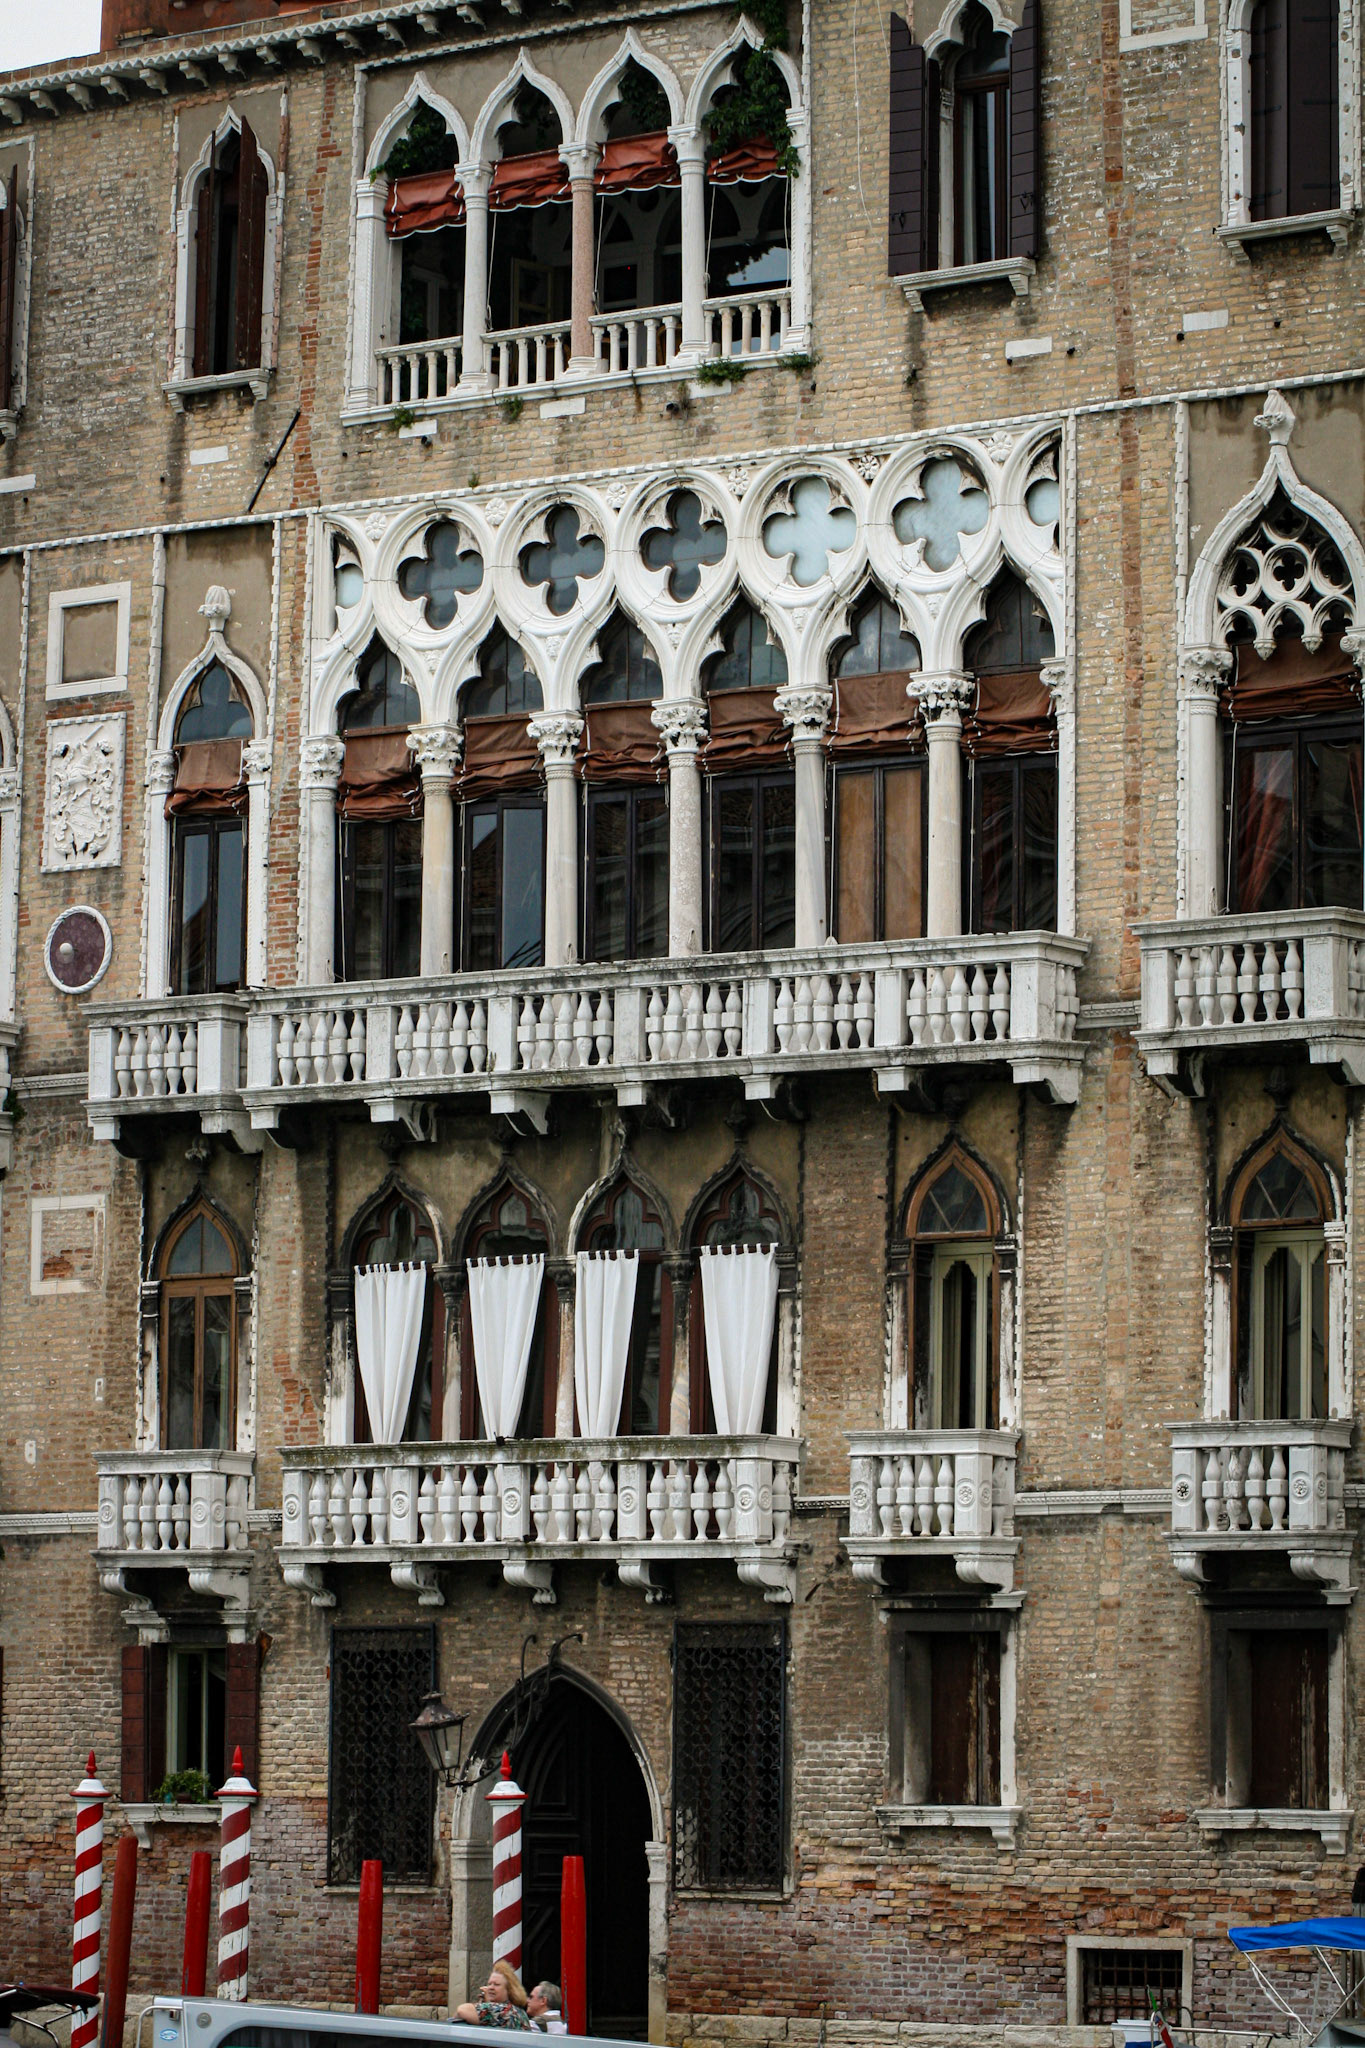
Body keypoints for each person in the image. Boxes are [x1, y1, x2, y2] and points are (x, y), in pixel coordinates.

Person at [454, 1962, 534, 2031]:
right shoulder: (520, 2011)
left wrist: (485, 2004)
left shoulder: (504, 2011)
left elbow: (462, 2010)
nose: (491, 1987)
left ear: (509, 1990)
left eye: (496, 1984)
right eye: (489, 1984)